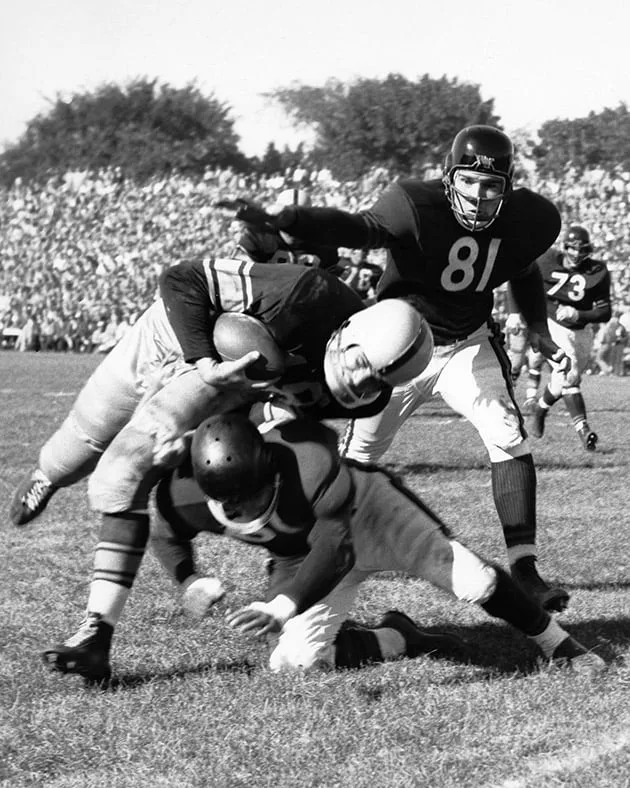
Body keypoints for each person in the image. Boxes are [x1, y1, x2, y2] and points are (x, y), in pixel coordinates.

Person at [15, 255, 433, 669]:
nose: (360, 381)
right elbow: (181, 279)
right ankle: (47, 475)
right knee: (79, 444)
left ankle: (96, 635)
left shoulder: (362, 397)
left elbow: (269, 420)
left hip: (240, 382)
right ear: (347, 333)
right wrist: (203, 361)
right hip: (182, 341)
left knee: (124, 474)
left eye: (376, 379)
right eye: (359, 365)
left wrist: (193, 443)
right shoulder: (302, 296)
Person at [222, 125, 573, 613]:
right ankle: (306, 556)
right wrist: (294, 220)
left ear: (508, 187)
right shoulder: (414, 204)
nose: (479, 195)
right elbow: (358, 228)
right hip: (398, 345)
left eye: (492, 186)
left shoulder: (529, 218)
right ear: (448, 177)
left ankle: (525, 569)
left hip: (467, 342)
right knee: (357, 456)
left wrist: (535, 325)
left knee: (507, 434)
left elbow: (523, 268)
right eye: (469, 181)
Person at [42, 413, 605, 682]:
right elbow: (166, 530)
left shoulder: (310, 465)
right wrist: (187, 577)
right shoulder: (186, 494)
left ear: (270, 466)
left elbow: (336, 548)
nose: (242, 508)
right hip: (302, 553)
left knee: (475, 582)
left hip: (371, 517)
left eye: (252, 493)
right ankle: (399, 636)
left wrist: (281, 604)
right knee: (296, 664)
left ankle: (559, 645)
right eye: (230, 501)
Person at [526, 226, 612, 450]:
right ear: (564, 247)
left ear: (588, 250)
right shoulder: (546, 260)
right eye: (572, 249)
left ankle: (540, 409)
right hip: (552, 324)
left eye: (581, 250)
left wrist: (578, 314)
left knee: (561, 381)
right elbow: (523, 281)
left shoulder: (598, 271)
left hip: (581, 330)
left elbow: (605, 312)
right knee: (570, 375)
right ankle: (584, 430)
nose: (576, 254)